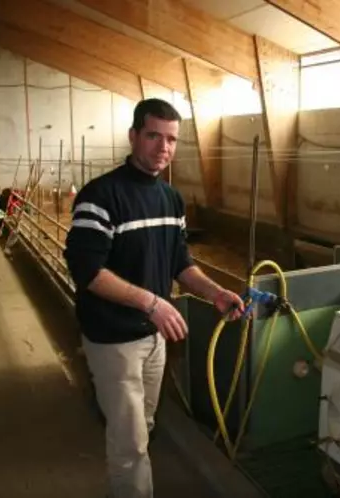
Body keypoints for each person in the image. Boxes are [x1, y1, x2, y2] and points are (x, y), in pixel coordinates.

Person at [63, 98, 244, 498]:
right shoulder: (100, 196)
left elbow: (181, 263)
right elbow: (87, 271)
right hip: (114, 339)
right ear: (133, 137)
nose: (163, 147)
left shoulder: (171, 200)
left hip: (154, 337)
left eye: (172, 139)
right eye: (153, 136)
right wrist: (152, 302)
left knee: (144, 425)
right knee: (129, 445)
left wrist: (213, 291)